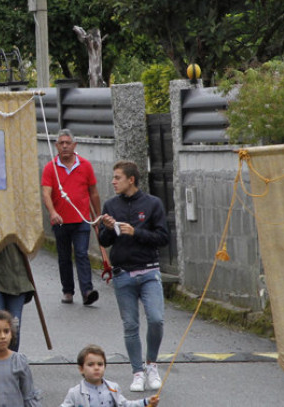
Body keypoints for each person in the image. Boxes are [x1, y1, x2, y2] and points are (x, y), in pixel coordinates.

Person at [98, 161, 169, 392]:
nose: (113, 181)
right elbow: (103, 241)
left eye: (117, 177)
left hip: (149, 271)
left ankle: (152, 365)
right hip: (122, 274)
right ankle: (137, 372)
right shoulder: (110, 204)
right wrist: (108, 228)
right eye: (113, 177)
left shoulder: (153, 204)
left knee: (156, 319)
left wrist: (135, 232)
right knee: (130, 325)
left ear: (131, 180)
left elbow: (163, 237)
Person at [41, 129, 102, 305]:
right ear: (56, 146)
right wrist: (53, 212)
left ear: (74, 145)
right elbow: (46, 193)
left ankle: (87, 291)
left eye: (68, 143)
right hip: (60, 221)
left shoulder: (85, 165)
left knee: (82, 254)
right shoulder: (50, 168)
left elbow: (94, 192)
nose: (65, 146)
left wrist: (97, 216)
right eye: (62, 143)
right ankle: (68, 291)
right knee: (64, 256)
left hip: (81, 219)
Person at [60, 344, 160, 407]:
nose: (96, 368)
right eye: (91, 364)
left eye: (100, 364)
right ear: (81, 369)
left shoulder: (113, 388)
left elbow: (125, 405)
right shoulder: (75, 393)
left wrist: (146, 402)